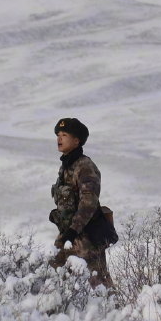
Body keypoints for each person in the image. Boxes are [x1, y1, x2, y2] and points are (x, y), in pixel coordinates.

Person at [49, 117, 114, 289]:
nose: (59, 139)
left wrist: (73, 230)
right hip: (69, 235)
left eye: (64, 135)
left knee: (98, 285)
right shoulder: (66, 167)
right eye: (58, 135)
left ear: (76, 141)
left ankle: (117, 313)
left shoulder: (84, 167)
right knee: (54, 277)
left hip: (87, 238)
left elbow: (88, 202)